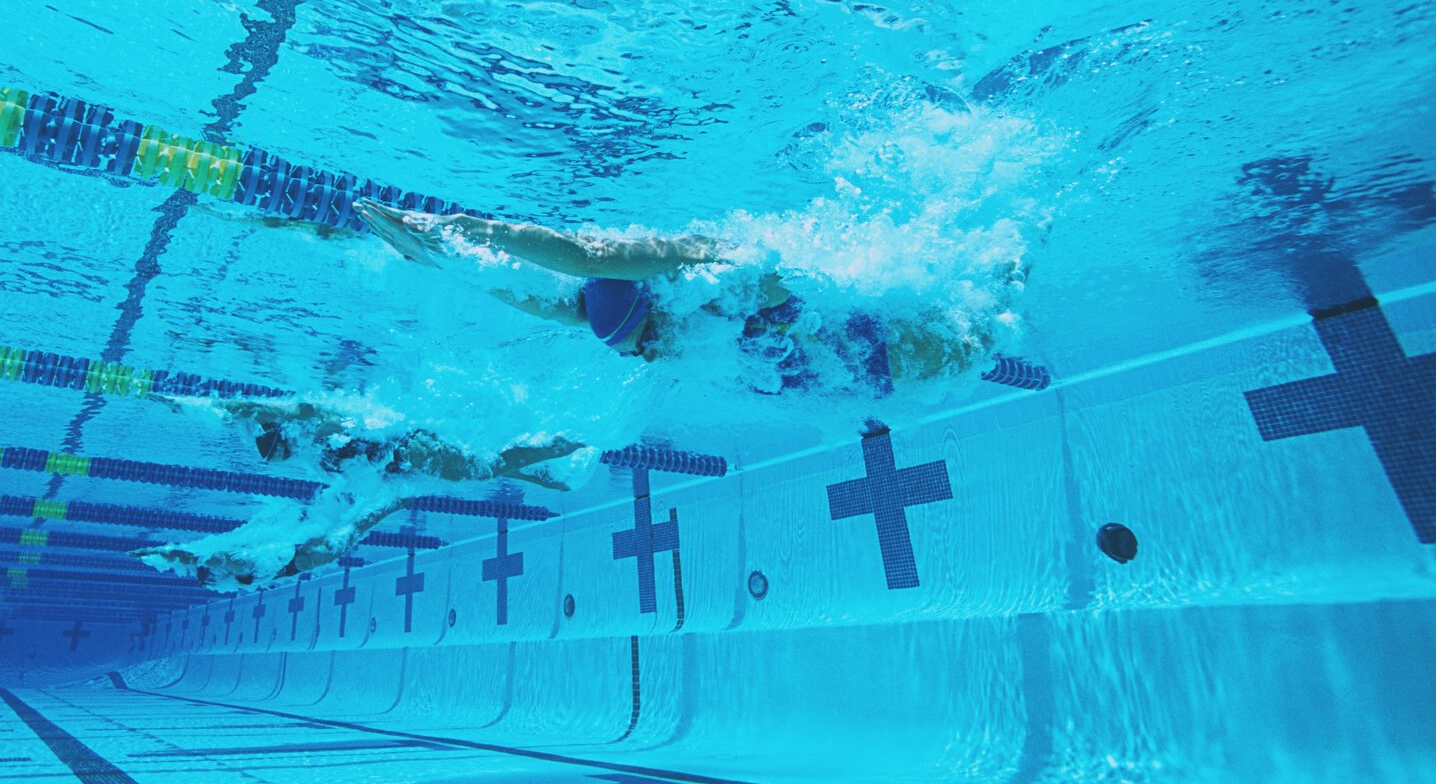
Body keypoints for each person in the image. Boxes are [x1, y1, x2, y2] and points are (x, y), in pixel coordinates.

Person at [353, 198, 1018, 396]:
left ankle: (1017, 246)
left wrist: (468, 228)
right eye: (633, 353)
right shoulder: (646, 324)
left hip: (862, 343)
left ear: (653, 309)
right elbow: (547, 301)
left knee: (977, 338)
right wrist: (446, 261)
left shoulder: (716, 275)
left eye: (642, 345)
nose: (646, 359)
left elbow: (589, 254)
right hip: (830, 378)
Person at [137, 394, 586, 589]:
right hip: (393, 470)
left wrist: (187, 406)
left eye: (273, 448)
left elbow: (257, 411)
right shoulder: (312, 542)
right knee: (480, 469)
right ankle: (558, 457)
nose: (275, 459)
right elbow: (366, 513)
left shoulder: (309, 427)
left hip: (399, 449)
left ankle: (570, 439)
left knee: (478, 468)